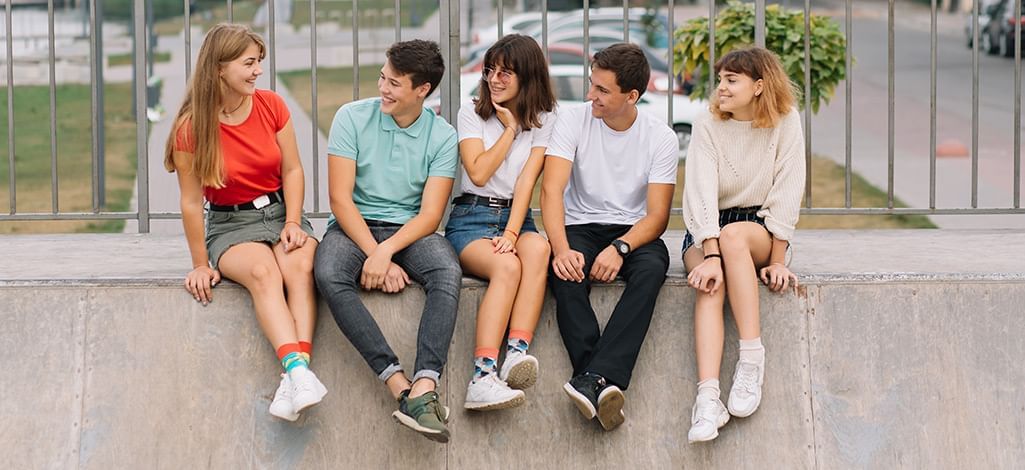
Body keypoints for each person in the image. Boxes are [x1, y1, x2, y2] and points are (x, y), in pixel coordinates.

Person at [163, 24, 325, 423]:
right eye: (249, 63)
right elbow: (189, 202)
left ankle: (295, 375)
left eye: (258, 63)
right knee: (263, 272)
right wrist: (201, 263)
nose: (257, 72)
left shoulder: (271, 105)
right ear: (219, 68)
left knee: (300, 266)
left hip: (279, 212)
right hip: (230, 224)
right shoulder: (191, 127)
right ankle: (299, 371)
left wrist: (292, 221)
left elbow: (293, 170)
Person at [313, 39, 462, 443]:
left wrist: (388, 250)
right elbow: (340, 199)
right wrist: (374, 253)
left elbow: (431, 215)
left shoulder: (443, 136)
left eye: (395, 83)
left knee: (447, 272)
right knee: (327, 273)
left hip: (410, 231)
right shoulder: (351, 117)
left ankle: (426, 386)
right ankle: (398, 384)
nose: (383, 88)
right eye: (383, 77)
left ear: (422, 90)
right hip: (353, 225)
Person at [542, 43, 678, 431]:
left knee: (653, 269)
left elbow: (657, 216)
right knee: (565, 272)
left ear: (632, 96)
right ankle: (601, 382)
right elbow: (551, 191)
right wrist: (561, 248)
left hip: (633, 230)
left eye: (602, 90)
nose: (590, 96)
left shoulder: (660, 137)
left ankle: (591, 378)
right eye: (591, 85)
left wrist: (621, 248)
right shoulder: (572, 120)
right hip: (580, 225)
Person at [682, 46, 805, 443]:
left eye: (731, 80)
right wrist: (710, 255)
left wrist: (779, 259)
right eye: (720, 79)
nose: (721, 87)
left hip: (759, 228)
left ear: (759, 86)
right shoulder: (707, 124)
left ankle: (751, 360)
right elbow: (700, 195)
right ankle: (708, 399)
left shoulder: (785, 122)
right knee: (709, 285)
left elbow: (788, 190)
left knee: (735, 237)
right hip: (707, 228)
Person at [444, 34, 557, 411]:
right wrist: (509, 131)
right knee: (507, 265)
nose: (494, 79)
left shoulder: (545, 117)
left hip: (517, 217)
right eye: (491, 70)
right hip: (472, 218)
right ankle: (482, 376)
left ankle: (516, 353)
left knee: (538, 248)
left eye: (506, 73)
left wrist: (512, 232)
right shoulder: (470, 113)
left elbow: (528, 180)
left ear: (528, 77)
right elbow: (477, 172)